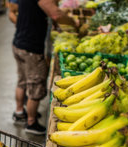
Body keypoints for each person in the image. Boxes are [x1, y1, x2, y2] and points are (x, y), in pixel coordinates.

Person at [11, 0, 79, 135]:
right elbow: (55, 14)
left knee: (22, 81)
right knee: (36, 86)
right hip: (31, 48)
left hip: (19, 43)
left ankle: (19, 112)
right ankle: (31, 122)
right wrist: (73, 22)